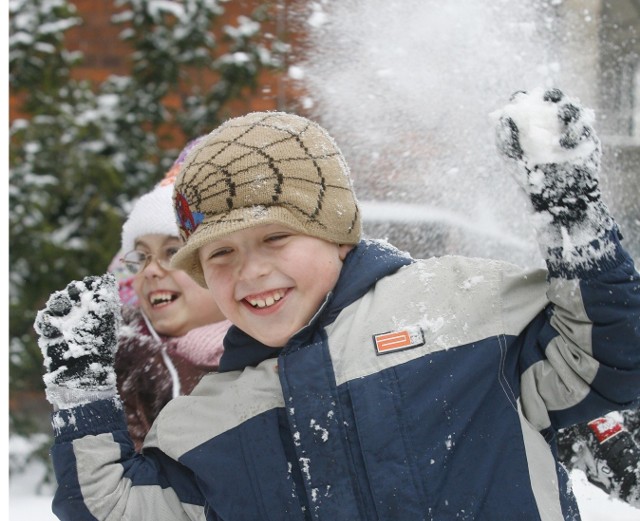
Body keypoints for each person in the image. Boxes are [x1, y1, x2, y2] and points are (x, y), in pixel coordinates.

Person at [34, 89, 640, 520]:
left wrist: (571, 214)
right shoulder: (205, 421)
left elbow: (604, 357)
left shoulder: (459, 312)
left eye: (276, 236)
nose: (250, 271)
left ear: (337, 233)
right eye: (218, 255)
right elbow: (115, 510)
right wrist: (80, 391)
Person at [115, 137, 231, 450]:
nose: (150, 270)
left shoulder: (288, 355)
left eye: (172, 251)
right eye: (141, 257)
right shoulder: (128, 370)